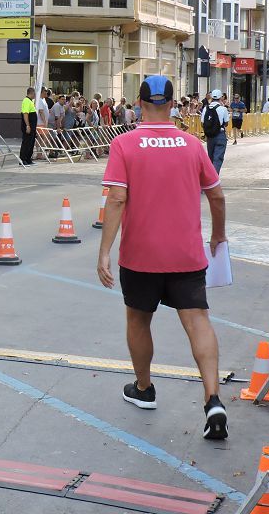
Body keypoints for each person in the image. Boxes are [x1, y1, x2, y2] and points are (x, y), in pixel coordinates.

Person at [97, 75, 228, 441]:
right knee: (198, 321)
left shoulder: (124, 144)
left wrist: (104, 252)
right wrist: (218, 235)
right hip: (186, 255)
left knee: (139, 320)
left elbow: (118, 199)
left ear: (139, 104)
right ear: (173, 105)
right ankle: (213, 399)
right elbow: (217, 196)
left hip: (140, 257)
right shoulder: (192, 145)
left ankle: (144, 388)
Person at [200, 89, 230, 174]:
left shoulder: (206, 108)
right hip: (220, 134)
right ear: (221, 97)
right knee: (218, 157)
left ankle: (209, 176)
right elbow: (226, 123)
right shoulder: (223, 109)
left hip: (210, 135)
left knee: (211, 157)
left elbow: (202, 123)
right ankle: (214, 178)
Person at [19, 87, 37, 166]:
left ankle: (28, 158)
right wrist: (28, 126)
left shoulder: (31, 101)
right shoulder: (26, 101)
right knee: (26, 142)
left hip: (32, 127)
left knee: (31, 142)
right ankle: (23, 159)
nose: (35, 95)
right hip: (28, 126)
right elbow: (25, 114)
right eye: (34, 93)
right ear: (32, 93)